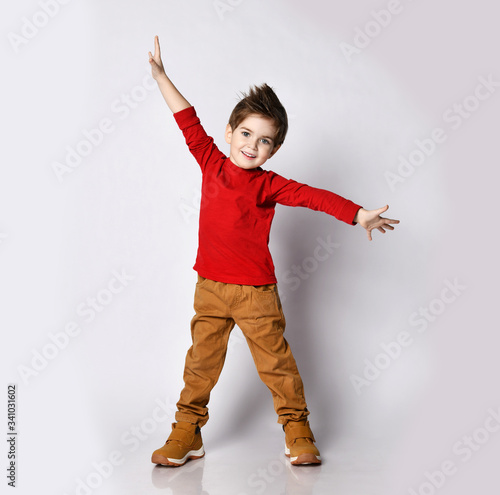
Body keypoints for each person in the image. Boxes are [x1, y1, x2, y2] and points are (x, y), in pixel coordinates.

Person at [148, 35, 399, 467]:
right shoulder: (210, 161)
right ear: (229, 132)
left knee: (276, 365)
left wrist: (358, 214)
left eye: (264, 141)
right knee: (200, 366)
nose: (252, 145)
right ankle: (186, 432)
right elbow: (186, 118)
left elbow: (314, 196)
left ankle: (297, 429)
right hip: (209, 288)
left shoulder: (269, 184)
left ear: (275, 149)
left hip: (255, 295)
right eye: (245, 133)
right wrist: (161, 76)